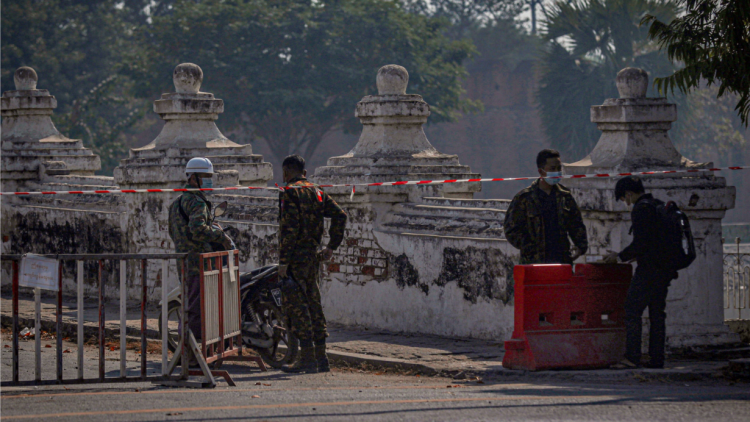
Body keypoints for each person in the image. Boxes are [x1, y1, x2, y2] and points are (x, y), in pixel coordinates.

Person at [278, 154, 347, 374]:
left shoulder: (290, 192)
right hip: (313, 256)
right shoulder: (317, 191)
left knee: (298, 307)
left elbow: (290, 230)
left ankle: (306, 359)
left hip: (296, 258)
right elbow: (340, 215)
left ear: (286, 173)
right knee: (314, 304)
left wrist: (283, 262)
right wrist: (331, 246)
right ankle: (322, 358)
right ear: (305, 173)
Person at [604, 176, 678, 369]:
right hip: (665, 270)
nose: (625, 202)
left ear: (628, 194)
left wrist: (618, 257)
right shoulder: (658, 205)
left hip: (649, 270)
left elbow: (640, 243)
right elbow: (654, 241)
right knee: (656, 314)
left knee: (631, 310)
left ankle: (632, 357)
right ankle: (657, 358)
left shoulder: (641, 209)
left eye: (623, 199)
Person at [168, 157, 233, 344]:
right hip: (198, 264)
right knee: (198, 310)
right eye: (205, 176)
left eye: (210, 176)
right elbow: (198, 230)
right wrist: (221, 236)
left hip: (184, 261)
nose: (209, 180)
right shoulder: (197, 203)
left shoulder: (176, 203)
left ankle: (188, 349)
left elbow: (173, 232)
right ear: (193, 178)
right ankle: (195, 355)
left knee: (190, 306)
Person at [503, 149, 588, 264]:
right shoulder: (525, 198)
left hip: (561, 261)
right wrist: (529, 247)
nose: (557, 172)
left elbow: (576, 224)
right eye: (553, 169)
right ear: (541, 171)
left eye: (559, 168)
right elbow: (511, 229)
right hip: (534, 263)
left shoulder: (565, 196)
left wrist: (580, 246)